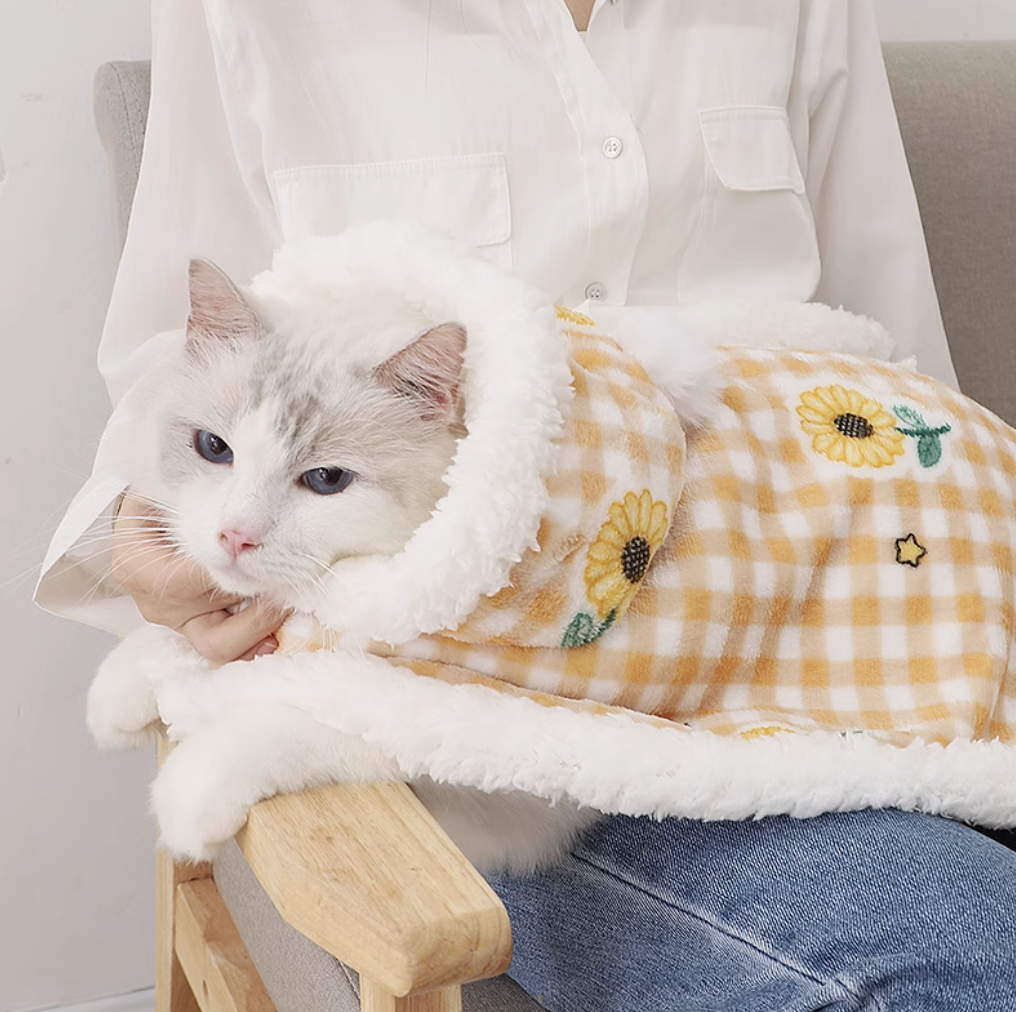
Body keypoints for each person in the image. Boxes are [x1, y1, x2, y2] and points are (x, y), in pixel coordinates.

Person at [37, 1, 1016, 1008]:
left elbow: (893, 368)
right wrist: (151, 558)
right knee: (970, 957)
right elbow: (178, 366)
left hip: (811, 622)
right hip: (519, 718)